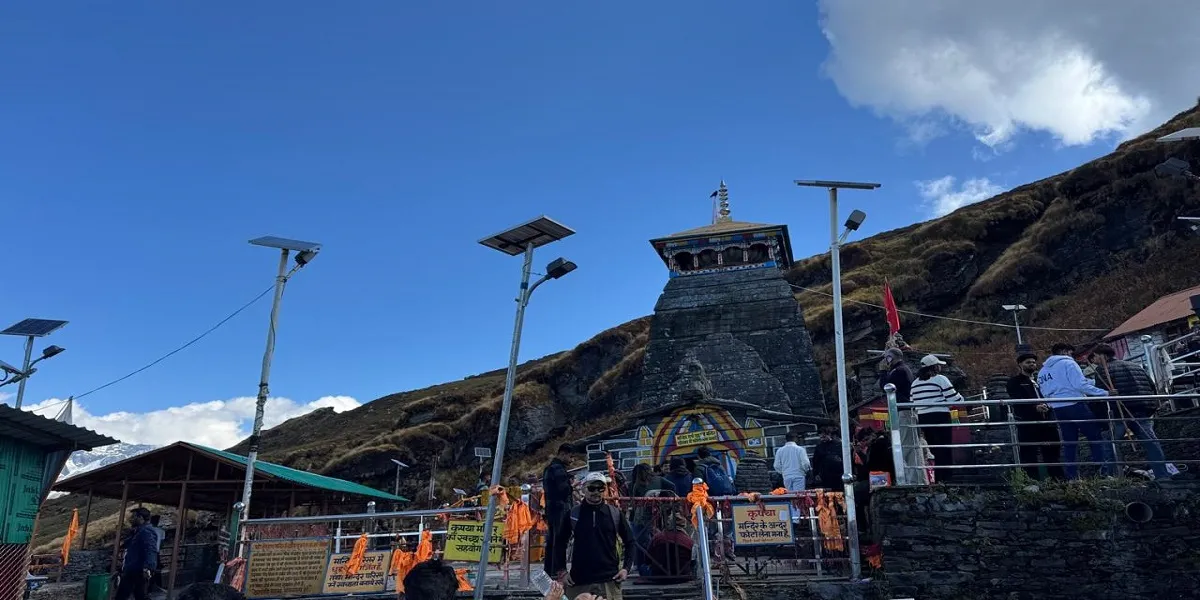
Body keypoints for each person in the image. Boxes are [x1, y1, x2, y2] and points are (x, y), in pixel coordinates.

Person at [1089, 344, 1171, 480]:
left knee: (1111, 446)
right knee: (1151, 443)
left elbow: (1101, 394)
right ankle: (1162, 476)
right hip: (1141, 409)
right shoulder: (1134, 365)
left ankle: (1113, 478)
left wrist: (1100, 417)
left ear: (1103, 355)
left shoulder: (1103, 370)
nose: (1094, 359)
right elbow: (1151, 385)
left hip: (1119, 412)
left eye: (1096, 356)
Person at [1038, 343, 1114, 479]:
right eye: (1070, 352)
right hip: (1075, 404)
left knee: (1069, 443)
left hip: (1058, 408)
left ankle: (1072, 477)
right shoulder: (1069, 364)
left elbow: (1044, 391)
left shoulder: (1043, 371)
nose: (1072, 355)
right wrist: (1105, 393)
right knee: (1095, 436)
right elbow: (1079, 384)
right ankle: (1102, 472)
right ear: (1064, 352)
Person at [561, 472, 634, 600]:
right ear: (583, 489)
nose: (596, 492)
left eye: (600, 488)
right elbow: (560, 543)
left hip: (609, 579)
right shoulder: (573, 514)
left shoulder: (614, 513)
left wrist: (626, 568)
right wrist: (562, 571)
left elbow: (630, 542)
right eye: (592, 488)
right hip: (579, 580)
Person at [1006, 351, 1065, 480]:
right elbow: (1017, 400)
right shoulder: (1014, 382)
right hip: (1028, 422)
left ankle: (1058, 480)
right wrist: (1034, 408)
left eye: (1033, 362)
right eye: (1028, 362)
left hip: (1048, 421)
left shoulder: (1040, 379)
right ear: (1020, 365)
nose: (1032, 365)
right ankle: (1031, 480)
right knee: (1029, 452)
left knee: (1052, 451)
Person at [910, 355, 964, 482]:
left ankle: (939, 478)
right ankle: (947, 478)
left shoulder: (915, 383)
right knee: (944, 447)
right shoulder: (940, 379)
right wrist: (960, 399)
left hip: (923, 417)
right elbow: (954, 398)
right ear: (934, 367)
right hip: (940, 415)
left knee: (935, 447)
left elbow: (913, 402)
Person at [881, 348, 926, 484]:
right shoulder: (900, 370)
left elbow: (884, 386)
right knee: (907, 445)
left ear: (891, 357)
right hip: (903, 411)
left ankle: (912, 480)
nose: (885, 361)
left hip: (904, 411)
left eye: (886, 357)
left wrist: (882, 371)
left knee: (906, 446)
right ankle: (912, 479)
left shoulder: (900, 370)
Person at [628, 464, 673, 576]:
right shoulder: (660, 479)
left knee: (638, 542)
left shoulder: (636, 484)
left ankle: (640, 565)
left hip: (639, 517)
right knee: (655, 540)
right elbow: (672, 487)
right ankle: (655, 563)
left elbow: (633, 503)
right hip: (657, 515)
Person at [543, 444, 576, 578]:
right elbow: (563, 490)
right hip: (561, 508)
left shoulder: (548, 469)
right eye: (570, 456)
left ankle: (550, 569)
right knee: (561, 540)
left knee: (552, 540)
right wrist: (572, 485)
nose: (571, 459)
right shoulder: (558, 469)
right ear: (563, 454)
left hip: (551, 508)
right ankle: (559, 569)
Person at [115, 508, 158, 600]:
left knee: (123, 596)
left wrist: (148, 567)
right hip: (133, 569)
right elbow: (130, 544)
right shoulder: (138, 531)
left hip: (137, 570)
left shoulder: (146, 531)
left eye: (133, 517)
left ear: (140, 517)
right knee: (139, 595)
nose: (131, 519)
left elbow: (150, 548)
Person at [811, 427, 844, 491]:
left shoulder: (838, 445)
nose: (823, 439)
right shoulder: (819, 447)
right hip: (825, 474)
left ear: (829, 435)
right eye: (821, 437)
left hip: (838, 473)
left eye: (824, 437)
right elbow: (815, 461)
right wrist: (816, 473)